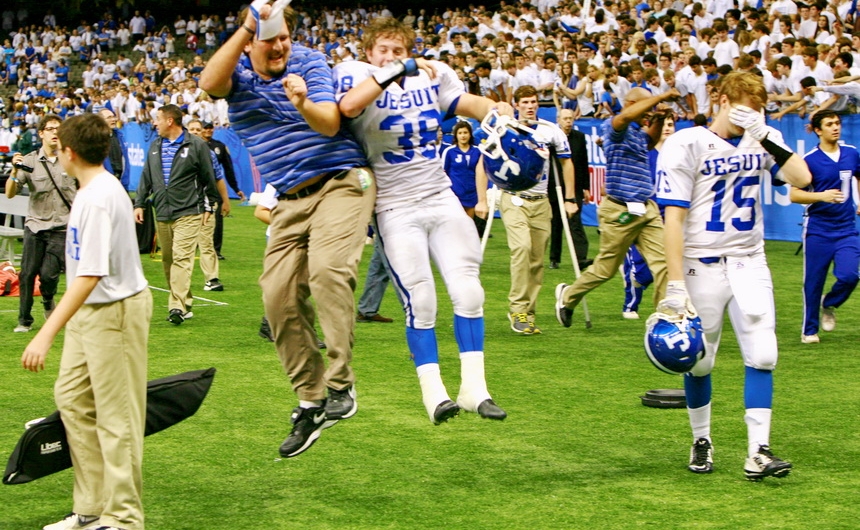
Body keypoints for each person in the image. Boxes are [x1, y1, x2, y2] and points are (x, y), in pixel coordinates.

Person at [199, 3, 375, 457]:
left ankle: (341, 387)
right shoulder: (235, 72)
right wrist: (247, 26)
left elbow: (331, 122)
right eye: (268, 38)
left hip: (340, 181)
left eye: (284, 37)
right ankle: (311, 400)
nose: (279, 46)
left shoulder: (309, 62)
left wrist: (302, 101)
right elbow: (209, 83)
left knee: (328, 272)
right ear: (249, 40)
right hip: (288, 203)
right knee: (277, 297)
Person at [333, 17, 508, 424]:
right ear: (369, 53)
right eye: (384, 50)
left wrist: (498, 113)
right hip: (394, 205)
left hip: (439, 195)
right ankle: (433, 394)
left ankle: (474, 389)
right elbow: (349, 106)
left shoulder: (432, 74)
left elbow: (470, 105)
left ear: (410, 49)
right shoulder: (356, 74)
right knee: (421, 299)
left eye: (399, 50)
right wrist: (397, 70)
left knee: (470, 292)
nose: (391, 56)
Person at [655, 72, 811, 480]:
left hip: (749, 260)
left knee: (763, 354)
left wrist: (768, 135)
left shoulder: (761, 137)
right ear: (720, 99)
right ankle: (701, 438)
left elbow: (803, 179)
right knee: (699, 362)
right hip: (700, 263)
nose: (749, 114)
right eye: (743, 105)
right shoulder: (686, 143)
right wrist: (675, 282)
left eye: (756, 107)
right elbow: (673, 218)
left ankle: (758, 451)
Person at [22, 113, 152, 530]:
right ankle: (92, 507)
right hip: (92, 311)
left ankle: (123, 519)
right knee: (73, 400)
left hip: (114, 311)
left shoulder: (98, 196)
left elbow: (90, 273)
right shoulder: (90, 189)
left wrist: (46, 332)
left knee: (117, 417)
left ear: (69, 152)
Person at [555, 87, 679, 328]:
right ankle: (568, 296)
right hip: (619, 210)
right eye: (646, 107)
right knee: (605, 269)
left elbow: (650, 140)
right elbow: (623, 118)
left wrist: (661, 116)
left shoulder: (636, 132)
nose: (649, 112)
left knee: (664, 263)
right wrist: (661, 98)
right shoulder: (615, 128)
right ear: (632, 103)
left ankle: (666, 318)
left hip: (646, 208)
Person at [476, 85, 576, 335]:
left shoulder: (550, 131)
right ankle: (518, 308)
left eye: (534, 102)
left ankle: (528, 313)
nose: (530, 106)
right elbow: (484, 163)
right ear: (516, 104)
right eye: (525, 102)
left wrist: (570, 197)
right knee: (521, 248)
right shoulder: (504, 128)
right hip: (513, 197)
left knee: (536, 260)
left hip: (541, 201)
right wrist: (482, 200)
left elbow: (566, 162)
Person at [133, 104, 218, 325]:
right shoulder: (154, 147)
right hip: (162, 210)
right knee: (169, 260)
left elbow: (208, 177)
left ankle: (176, 307)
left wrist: (210, 205)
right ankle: (185, 300)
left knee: (182, 258)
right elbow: (146, 177)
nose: (155, 123)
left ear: (170, 121)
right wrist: (139, 203)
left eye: (158, 119)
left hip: (189, 211)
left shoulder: (197, 145)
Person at [790, 110, 860, 343]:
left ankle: (829, 303)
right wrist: (822, 196)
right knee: (813, 280)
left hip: (847, 228)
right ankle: (809, 330)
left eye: (837, 123)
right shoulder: (808, 160)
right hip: (818, 229)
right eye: (829, 124)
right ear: (818, 130)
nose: (835, 127)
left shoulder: (851, 153)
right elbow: (794, 195)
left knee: (850, 275)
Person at [5, 114, 75, 333]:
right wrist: (15, 171)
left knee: (48, 275)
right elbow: (10, 193)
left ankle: (47, 300)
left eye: (58, 128)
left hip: (61, 226)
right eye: (51, 128)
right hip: (35, 226)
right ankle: (24, 320)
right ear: (41, 133)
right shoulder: (30, 161)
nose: (55, 132)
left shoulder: (71, 159)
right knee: (26, 274)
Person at [621, 110, 675, 319]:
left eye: (671, 125)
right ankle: (631, 304)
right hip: (645, 213)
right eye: (665, 124)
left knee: (670, 264)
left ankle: (669, 308)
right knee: (641, 269)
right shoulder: (645, 152)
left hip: (671, 216)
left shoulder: (679, 152)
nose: (667, 128)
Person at [187, 119, 232, 292]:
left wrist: (225, 201)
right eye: (192, 129)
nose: (196, 132)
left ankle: (212, 278)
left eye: (198, 129)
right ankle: (181, 279)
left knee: (206, 242)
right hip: (183, 205)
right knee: (182, 246)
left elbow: (218, 178)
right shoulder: (176, 151)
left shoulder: (209, 153)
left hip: (205, 203)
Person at [553, 108, 592, 271]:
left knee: (575, 221)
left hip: (574, 185)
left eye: (570, 118)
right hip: (555, 185)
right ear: (559, 120)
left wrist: (586, 188)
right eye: (565, 119)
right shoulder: (552, 138)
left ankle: (580, 257)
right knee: (556, 221)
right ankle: (554, 258)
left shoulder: (579, 138)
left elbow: (583, 164)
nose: (568, 121)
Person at [201, 121, 244, 260]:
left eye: (210, 128)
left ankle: (216, 250)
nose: (208, 130)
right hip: (196, 186)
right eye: (205, 128)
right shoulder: (193, 145)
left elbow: (228, 169)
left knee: (217, 219)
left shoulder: (219, 146)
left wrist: (236, 189)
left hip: (213, 186)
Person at [99, 108, 127, 190]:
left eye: (113, 117)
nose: (113, 119)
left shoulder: (120, 135)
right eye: (109, 117)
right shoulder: (96, 139)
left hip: (120, 177)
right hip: (105, 180)